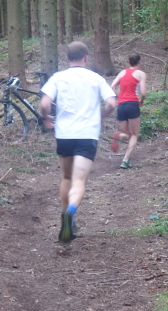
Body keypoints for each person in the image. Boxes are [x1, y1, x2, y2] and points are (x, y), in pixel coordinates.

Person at [40, 41, 117, 243]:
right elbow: (111, 103)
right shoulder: (95, 78)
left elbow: (45, 104)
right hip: (87, 134)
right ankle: (71, 213)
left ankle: (66, 216)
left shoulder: (58, 77)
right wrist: (102, 115)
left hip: (64, 134)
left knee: (66, 177)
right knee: (79, 181)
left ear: (67, 58)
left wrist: (46, 118)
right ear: (86, 58)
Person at [109, 53, 147, 169]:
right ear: (139, 62)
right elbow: (143, 93)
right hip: (132, 104)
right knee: (134, 135)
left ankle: (118, 135)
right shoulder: (141, 74)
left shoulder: (122, 72)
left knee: (126, 135)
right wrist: (141, 101)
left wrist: (119, 96)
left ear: (129, 62)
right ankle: (125, 160)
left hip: (121, 105)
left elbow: (112, 86)